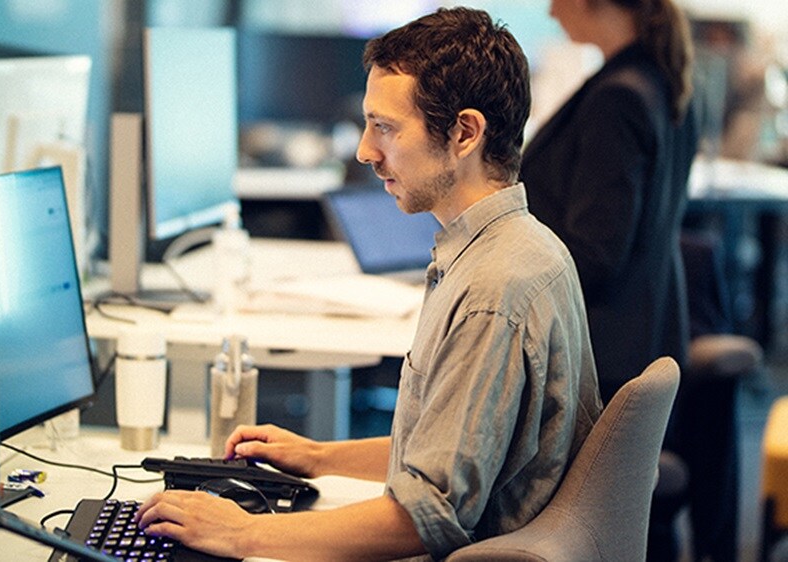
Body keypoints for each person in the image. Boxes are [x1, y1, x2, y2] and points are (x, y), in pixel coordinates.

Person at [135, 8, 602, 560]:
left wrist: (241, 532)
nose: (365, 150)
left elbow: (426, 517)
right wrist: (321, 457)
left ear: (464, 133)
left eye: (385, 126)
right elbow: (462, 450)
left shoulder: (491, 294)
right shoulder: (523, 248)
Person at [518, 1, 699, 559]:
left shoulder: (617, 96)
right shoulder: (659, 80)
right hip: (646, 332)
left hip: (601, 354)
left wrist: (509, 284)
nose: (549, 10)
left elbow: (596, 251)